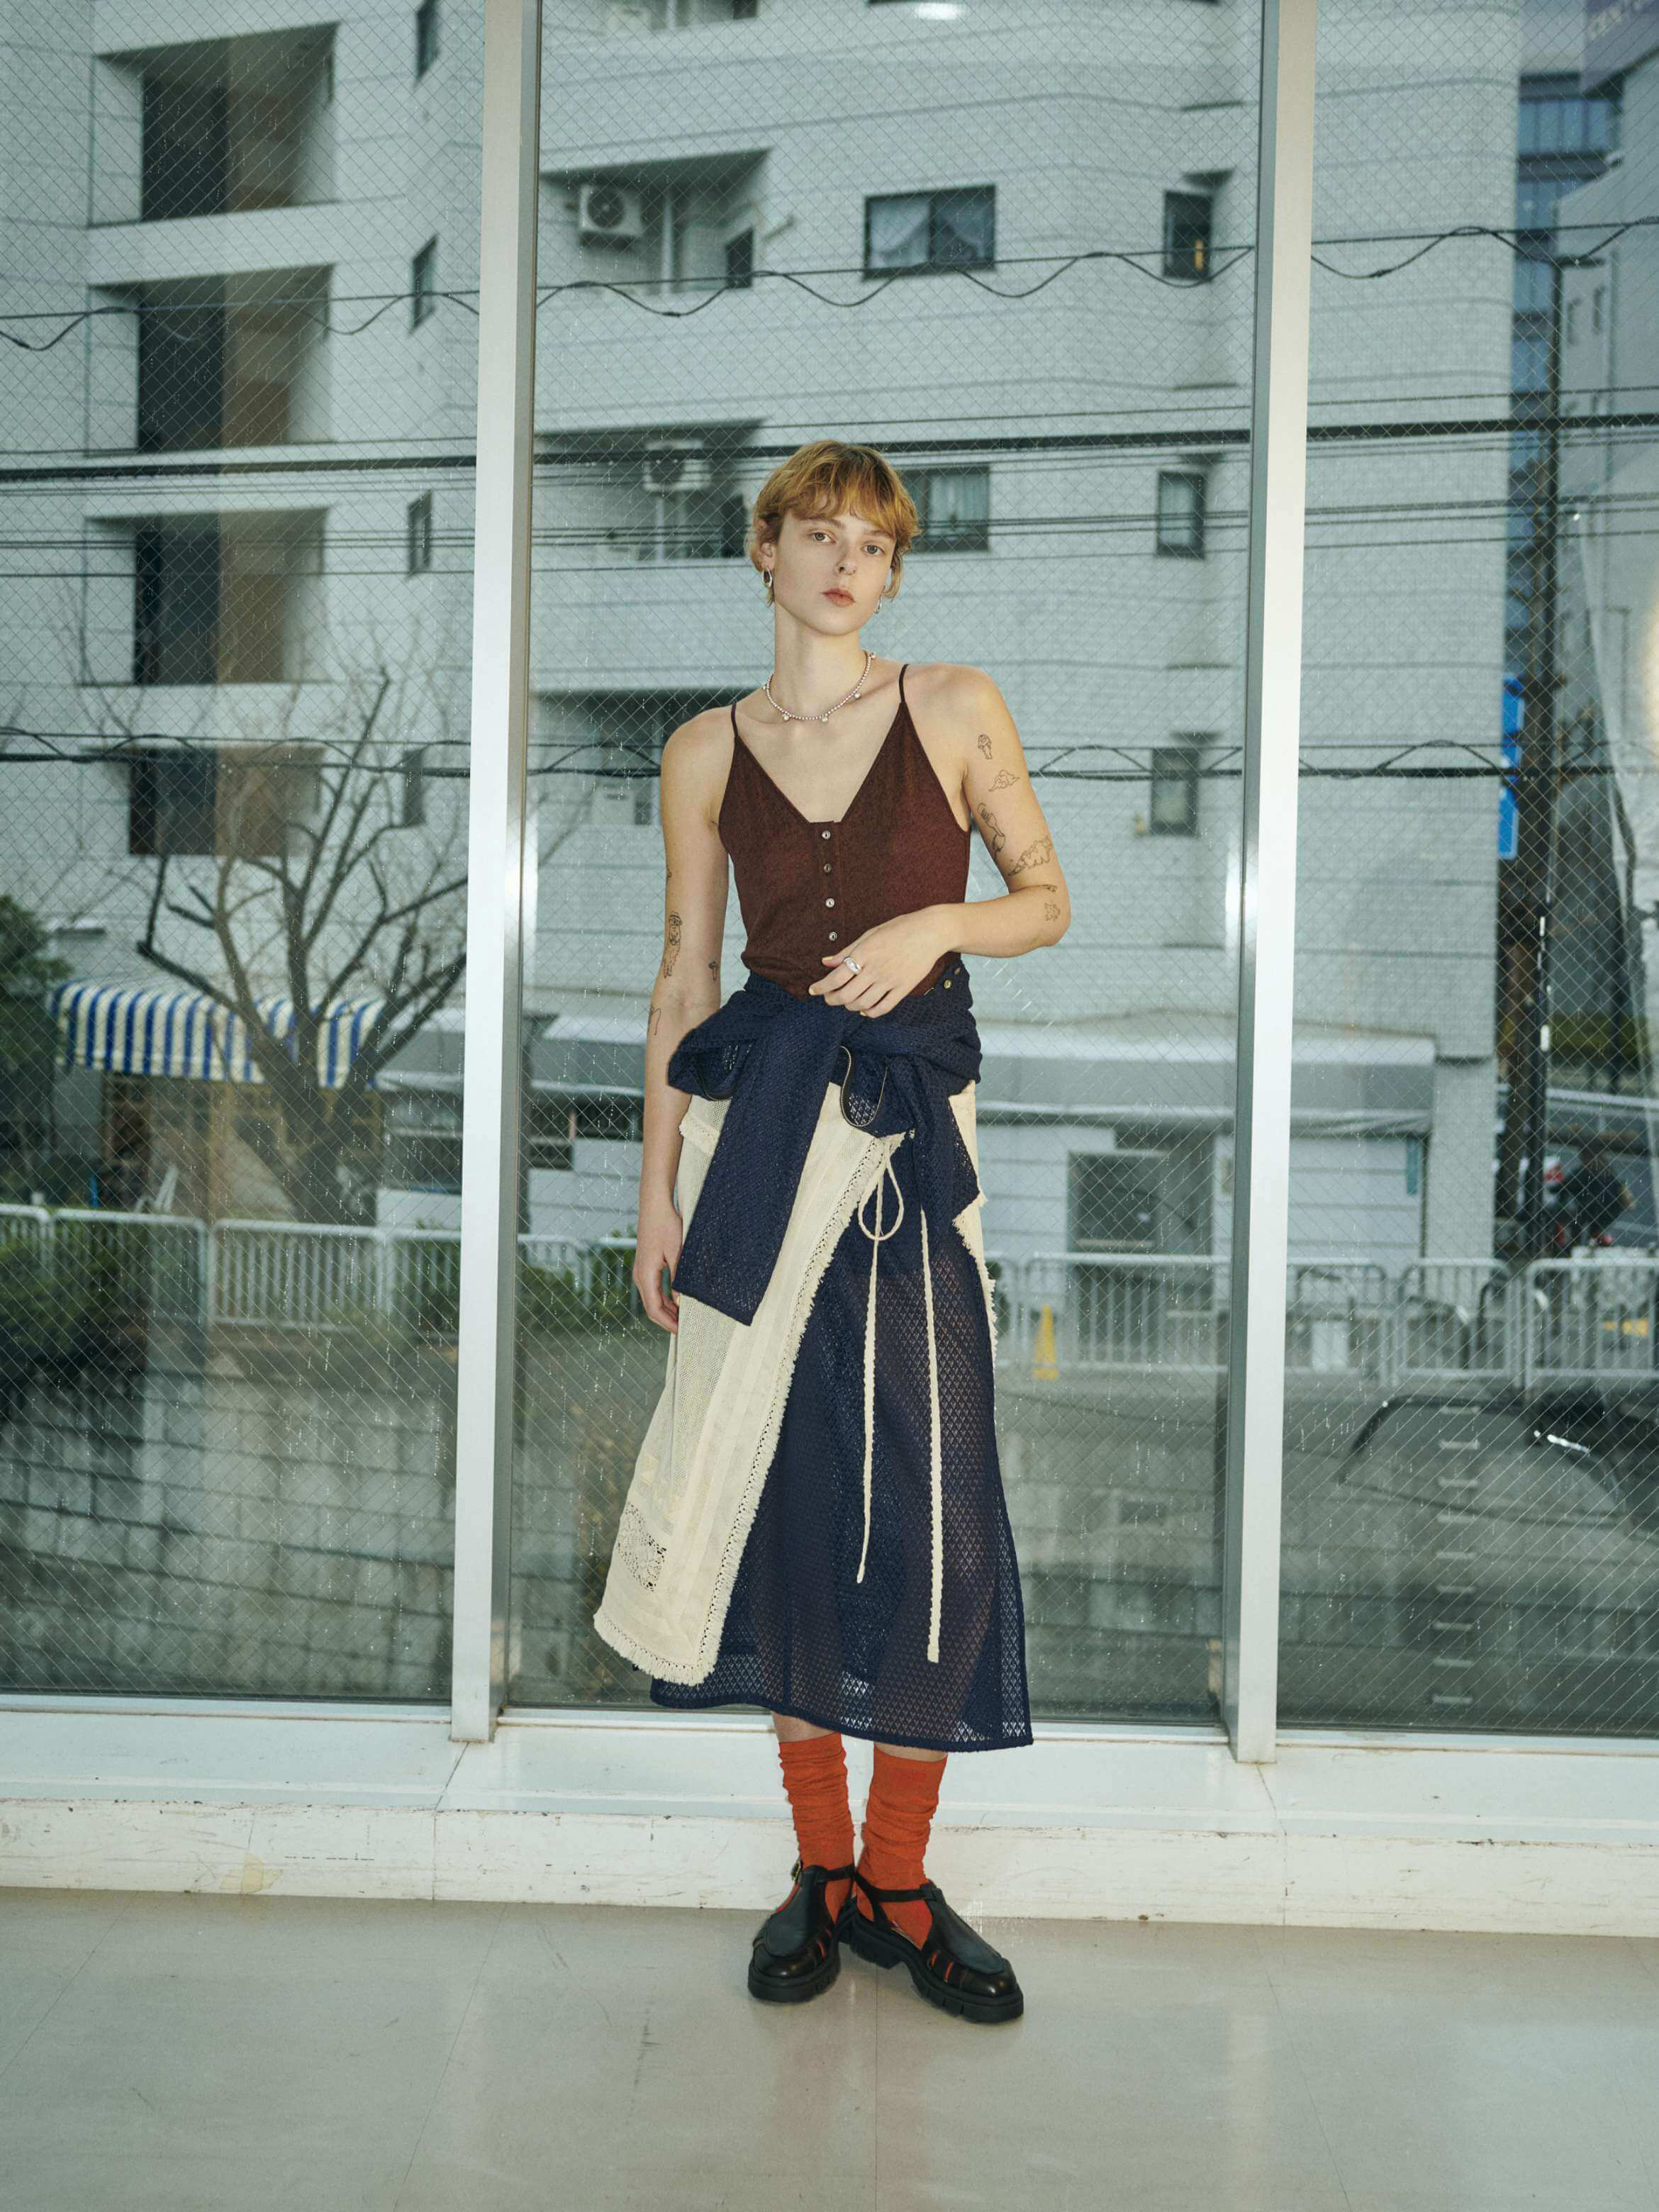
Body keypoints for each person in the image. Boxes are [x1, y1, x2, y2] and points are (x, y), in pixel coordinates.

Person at [593, 439, 1071, 2026]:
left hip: (912, 1134)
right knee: (774, 1491)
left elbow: (1046, 898)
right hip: (756, 1141)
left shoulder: (955, 706)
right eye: (820, 534)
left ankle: (903, 1874)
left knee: (939, 1505)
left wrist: (937, 922)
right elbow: (683, 977)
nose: (850, 563)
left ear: (894, 568)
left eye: (875, 542)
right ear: (767, 552)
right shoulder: (702, 751)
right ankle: (824, 1868)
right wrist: (655, 1194)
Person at [1551, 1137, 1631, 1250]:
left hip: (1591, 1208)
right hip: (1608, 1210)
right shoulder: (1608, 1171)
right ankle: (1594, 1239)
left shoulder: (1585, 1172)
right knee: (1589, 1223)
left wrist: (1552, 1187)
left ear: (1586, 1156)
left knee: (1575, 1220)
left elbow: (1563, 1187)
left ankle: (1576, 1244)